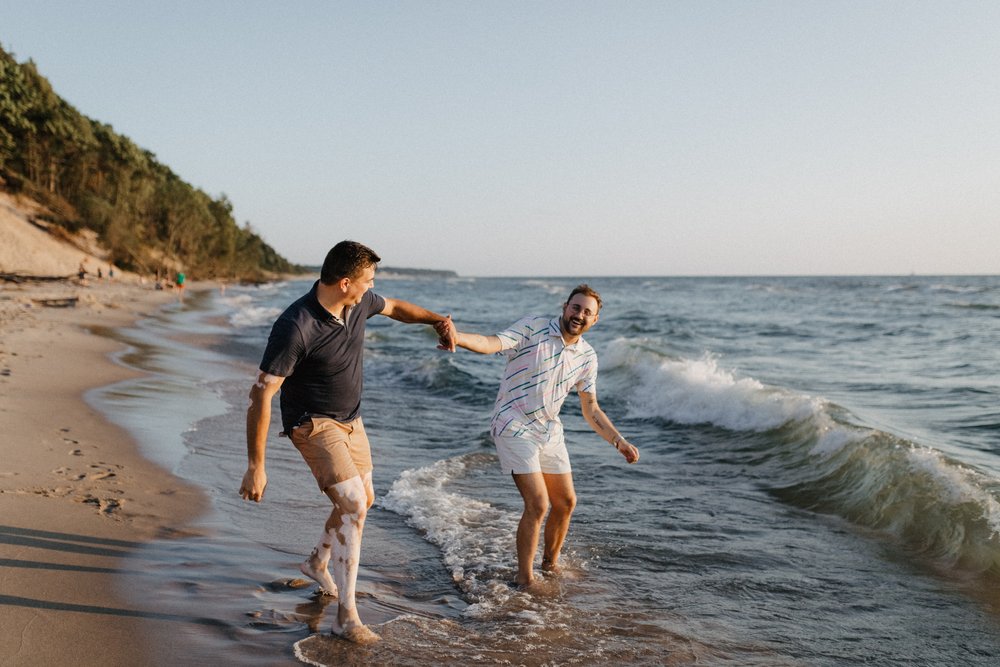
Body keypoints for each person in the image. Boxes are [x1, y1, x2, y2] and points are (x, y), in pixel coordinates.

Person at [239, 240, 455, 644]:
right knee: (353, 503)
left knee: (364, 499)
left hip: (351, 421)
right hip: (312, 423)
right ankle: (346, 615)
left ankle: (317, 562)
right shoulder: (296, 326)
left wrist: (436, 320)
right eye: (367, 280)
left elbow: (396, 308)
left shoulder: (358, 303)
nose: (371, 288)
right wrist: (256, 465)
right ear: (344, 282)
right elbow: (261, 395)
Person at [437, 284, 639, 588]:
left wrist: (618, 441)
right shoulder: (533, 327)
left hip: (548, 429)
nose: (579, 315)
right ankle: (526, 578)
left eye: (587, 312)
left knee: (566, 502)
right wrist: (458, 336)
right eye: (575, 307)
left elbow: (591, 409)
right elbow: (492, 342)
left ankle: (550, 565)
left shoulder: (587, 357)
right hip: (512, 423)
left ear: (594, 321)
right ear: (565, 306)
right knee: (538, 504)